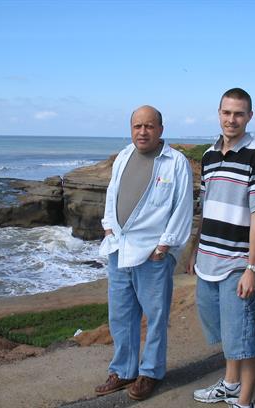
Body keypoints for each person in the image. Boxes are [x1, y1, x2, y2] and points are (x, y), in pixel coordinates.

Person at [95, 105, 193, 401]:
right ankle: (124, 371)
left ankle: (150, 372)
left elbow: (183, 207)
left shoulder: (175, 162)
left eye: (149, 126)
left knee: (156, 316)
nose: (142, 131)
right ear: (131, 128)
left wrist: (164, 246)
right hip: (119, 250)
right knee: (121, 315)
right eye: (137, 126)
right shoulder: (124, 156)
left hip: (153, 255)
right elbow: (112, 194)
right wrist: (108, 227)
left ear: (161, 129)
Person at [187, 88, 255, 408]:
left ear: (249, 116)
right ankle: (230, 383)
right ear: (219, 113)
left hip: (238, 262)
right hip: (208, 257)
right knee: (228, 331)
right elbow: (205, 207)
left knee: (246, 336)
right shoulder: (209, 156)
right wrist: (194, 250)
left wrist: (253, 267)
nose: (232, 119)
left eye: (239, 113)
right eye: (226, 112)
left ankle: (245, 401)